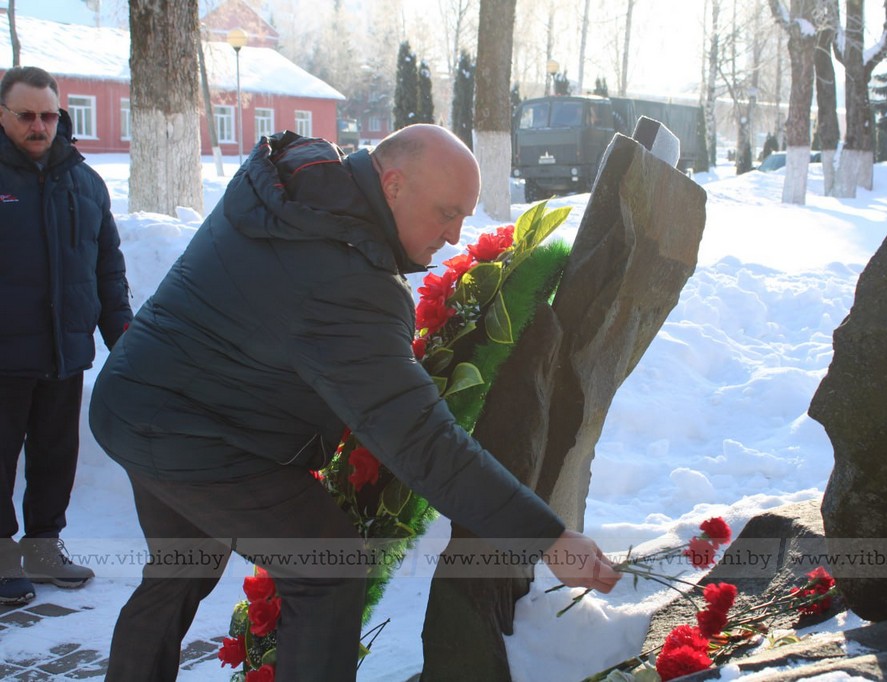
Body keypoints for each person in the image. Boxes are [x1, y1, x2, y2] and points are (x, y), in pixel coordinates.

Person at [89, 124, 621, 681]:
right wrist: (547, 537)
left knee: (180, 568)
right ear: (391, 185)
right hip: (194, 433)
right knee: (329, 567)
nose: (456, 236)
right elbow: (420, 442)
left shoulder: (304, 188)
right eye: (446, 213)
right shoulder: (342, 276)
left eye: (464, 216)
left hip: (140, 399)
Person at [0, 66, 133, 606]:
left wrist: (121, 336)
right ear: (3, 115)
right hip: (3, 354)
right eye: (27, 115)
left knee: (56, 455)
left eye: (49, 115)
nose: (40, 126)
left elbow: (107, 267)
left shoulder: (85, 182)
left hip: (63, 350)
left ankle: (43, 547)